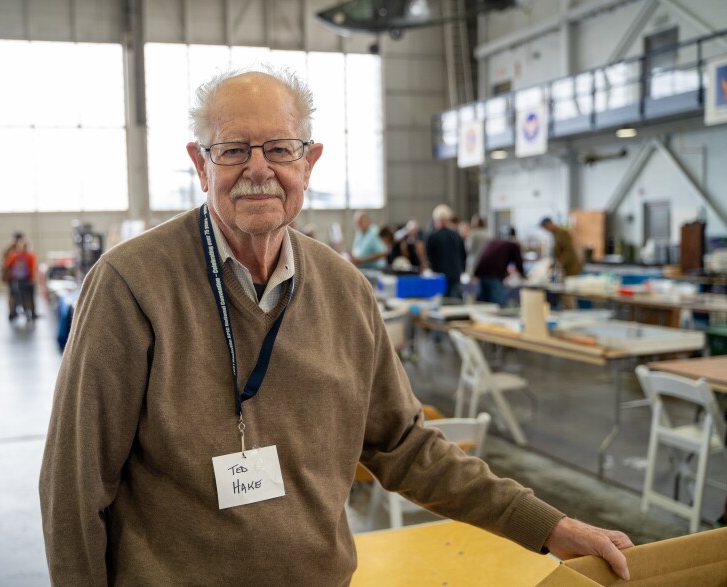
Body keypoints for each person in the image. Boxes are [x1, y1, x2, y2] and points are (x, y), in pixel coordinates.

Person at [39, 67, 632, 585]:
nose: (258, 170)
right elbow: (74, 484)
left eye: (279, 148)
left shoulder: (345, 291)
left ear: (309, 160)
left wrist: (548, 525)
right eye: (232, 150)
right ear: (200, 163)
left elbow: (404, 447)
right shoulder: (131, 282)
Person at [474, 227, 526, 307]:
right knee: (499, 305)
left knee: (483, 304)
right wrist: (523, 275)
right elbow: (519, 262)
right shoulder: (513, 245)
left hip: (481, 272)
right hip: (494, 274)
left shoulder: (495, 242)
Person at [424, 204, 466, 299]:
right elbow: (463, 255)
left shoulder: (432, 237)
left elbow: (429, 258)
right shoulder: (457, 235)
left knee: (441, 304)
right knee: (455, 304)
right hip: (455, 275)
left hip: (439, 277)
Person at [4, 239, 38, 321]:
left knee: (22, 297)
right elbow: (33, 268)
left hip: (19, 280)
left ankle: (26, 312)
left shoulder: (15, 255)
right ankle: (32, 313)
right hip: (29, 280)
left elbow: (7, 264)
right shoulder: (31, 255)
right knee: (31, 297)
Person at [2, 231, 25, 320]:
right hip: (13, 277)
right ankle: (12, 311)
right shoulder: (11, 249)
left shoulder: (16, 248)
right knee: (12, 294)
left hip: (20, 277)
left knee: (17, 294)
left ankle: (16, 310)